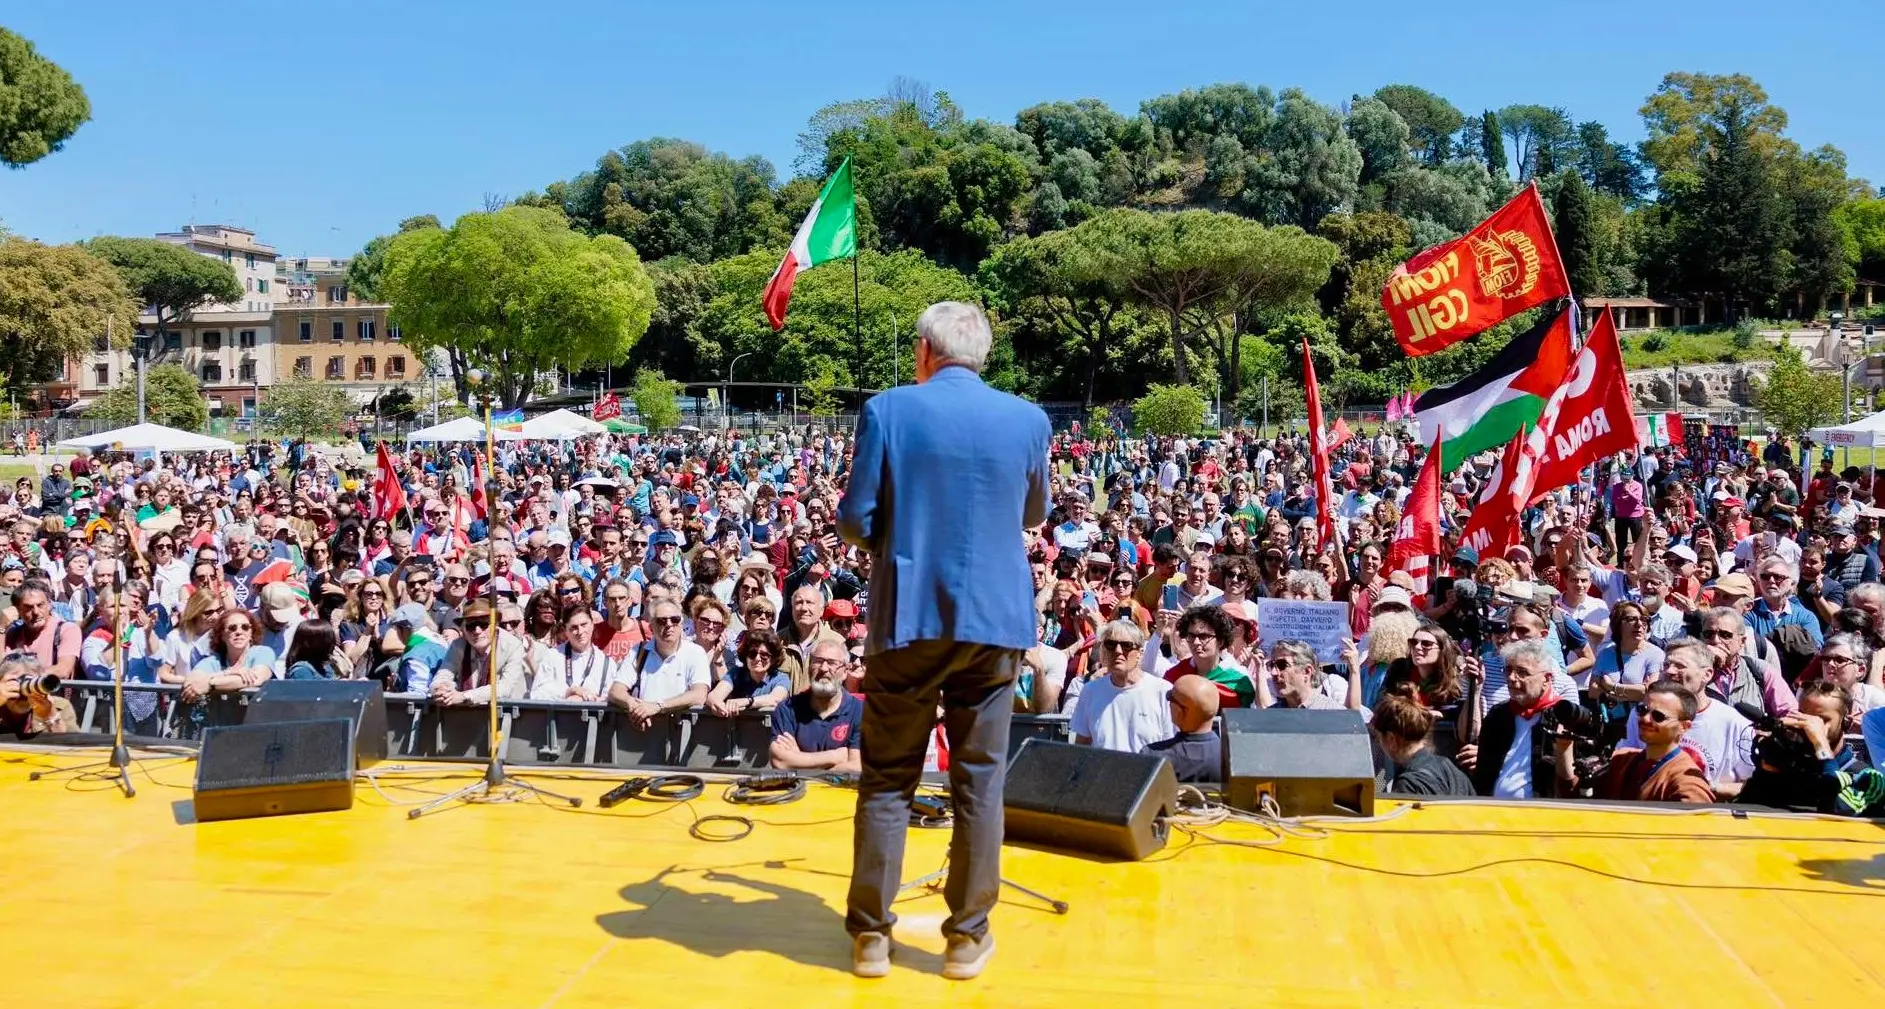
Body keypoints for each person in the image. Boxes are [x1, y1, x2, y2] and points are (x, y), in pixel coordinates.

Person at [835, 300, 1051, 981]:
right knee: (979, 781)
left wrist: (899, 541)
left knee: (888, 779)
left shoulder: (888, 410)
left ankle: (871, 938)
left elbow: (854, 519)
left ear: (925, 351)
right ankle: (965, 939)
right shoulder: (1029, 419)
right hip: (995, 619)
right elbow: (1033, 512)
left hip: (908, 617)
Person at [1592, 681, 1714, 803]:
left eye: (1658, 716)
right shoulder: (1622, 759)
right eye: (1642, 710)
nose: (1645, 719)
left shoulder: (1687, 784)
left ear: (1684, 727)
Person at [768, 638, 862, 772]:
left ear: (845, 672)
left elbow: (857, 767)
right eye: (817, 661)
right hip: (798, 787)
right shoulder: (787, 709)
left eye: (832, 663)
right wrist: (834, 756)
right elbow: (780, 761)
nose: (824, 668)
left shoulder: (860, 711)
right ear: (809, 668)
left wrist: (799, 759)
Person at [1373, 685, 1475, 796]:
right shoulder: (1450, 768)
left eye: (1379, 738)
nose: (1380, 744)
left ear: (1391, 739)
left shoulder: (1408, 786)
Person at [1146, 672, 1220, 782]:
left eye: (1170, 697)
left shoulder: (1153, 757)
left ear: (1179, 712)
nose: (1169, 702)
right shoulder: (1234, 758)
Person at [0, 654, 75, 736]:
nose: (24, 691)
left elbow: (73, 742)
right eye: (16, 682)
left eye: (30, 682)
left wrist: (51, 716)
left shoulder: (60, 706)